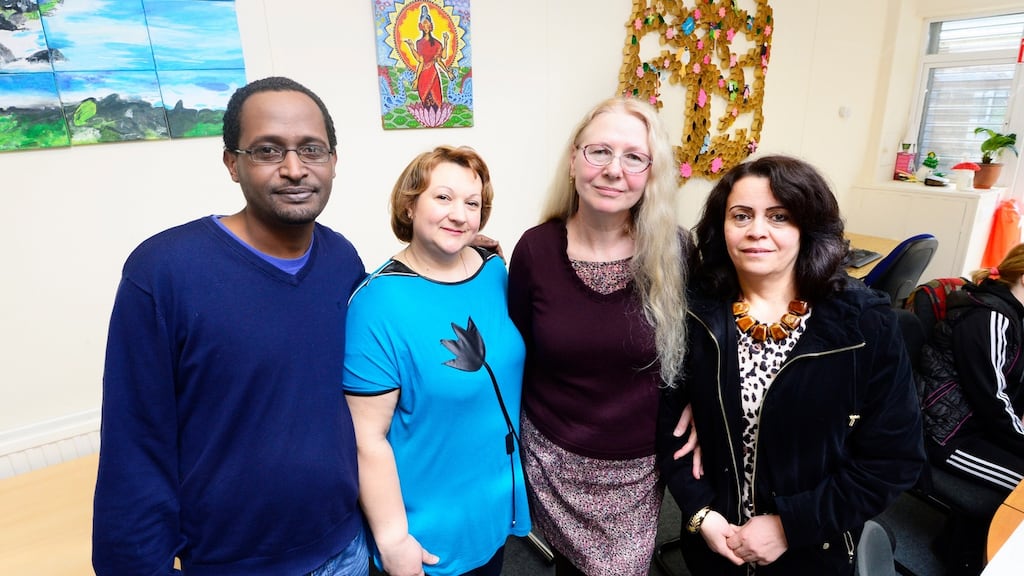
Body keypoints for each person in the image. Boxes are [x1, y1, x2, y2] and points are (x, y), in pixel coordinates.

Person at [93, 77, 368, 576]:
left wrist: (454, 257)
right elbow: (134, 447)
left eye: (311, 149)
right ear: (232, 163)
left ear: (333, 160)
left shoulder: (342, 260)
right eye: (268, 150)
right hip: (230, 562)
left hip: (346, 547)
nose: (294, 168)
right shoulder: (164, 272)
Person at [658, 155, 925, 575]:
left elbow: (895, 459)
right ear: (721, 227)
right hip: (715, 544)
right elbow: (666, 424)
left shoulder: (863, 323)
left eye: (779, 216)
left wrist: (789, 526)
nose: (756, 230)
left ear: (808, 227)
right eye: (741, 215)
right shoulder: (694, 313)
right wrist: (699, 514)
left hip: (812, 549)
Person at [508, 96, 693, 576]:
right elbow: (516, 354)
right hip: (552, 458)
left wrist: (700, 401)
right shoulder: (535, 249)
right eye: (600, 151)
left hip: (636, 469)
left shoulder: (676, 250)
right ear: (574, 160)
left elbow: (700, 345)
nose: (614, 170)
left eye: (634, 157)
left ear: (651, 173)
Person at [343, 145, 530, 576]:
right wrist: (393, 540)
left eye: (472, 204)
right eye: (443, 197)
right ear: (410, 205)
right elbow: (366, 438)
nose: (460, 215)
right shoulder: (376, 303)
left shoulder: (493, 270)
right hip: (425, 529)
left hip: (491, 505)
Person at [917, 245, 1024, 493]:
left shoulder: (1016, 315)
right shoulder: (989, 318)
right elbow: (992, 399)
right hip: (949, 433)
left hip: (983, 423)